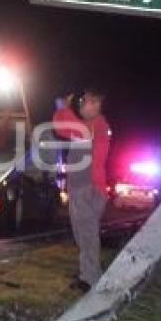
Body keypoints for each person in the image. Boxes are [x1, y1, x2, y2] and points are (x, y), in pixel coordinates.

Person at [53, 89, 111, 292]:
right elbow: (61, 129)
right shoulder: (88, 127)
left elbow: (66, 125)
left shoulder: (97, 125)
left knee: (86, 234)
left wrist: (63, 108)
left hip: (88, 188)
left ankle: (91, 279)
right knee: (83, 234)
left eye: (90, 103)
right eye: (85, 103)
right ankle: (87, 273)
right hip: (81, 188)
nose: (86, 106)